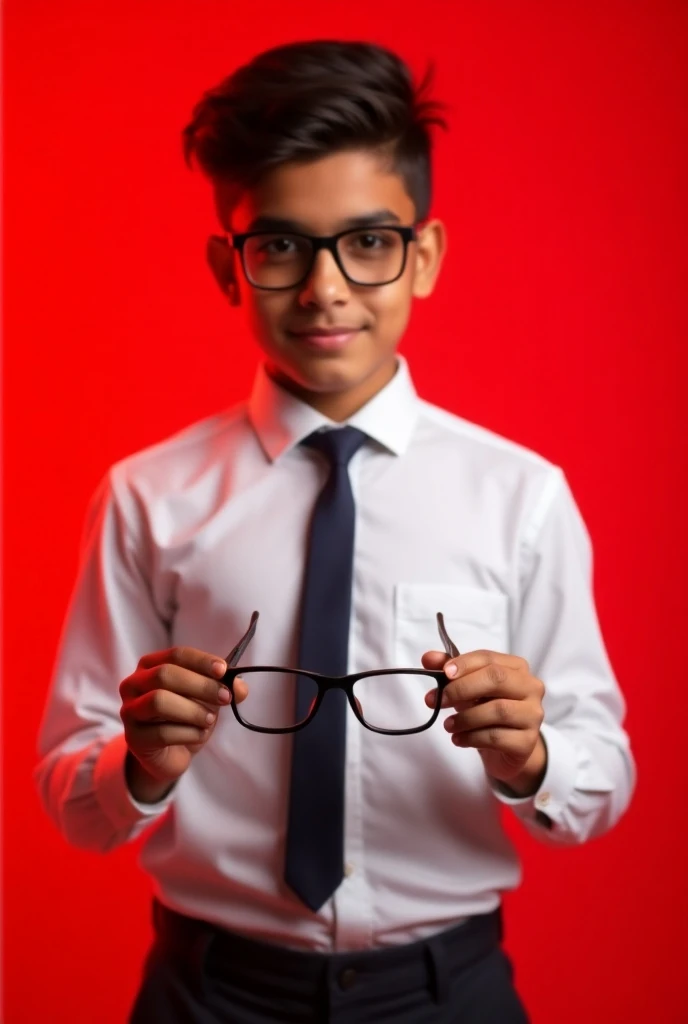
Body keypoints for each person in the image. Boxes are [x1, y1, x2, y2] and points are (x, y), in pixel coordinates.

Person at [35, 39, 635, 1024]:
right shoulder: (148, 497)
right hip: (210, 994)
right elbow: (72, 793)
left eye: (367, 241)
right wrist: (136, 762)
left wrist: (532, 756)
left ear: (424, 256)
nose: (324, 289)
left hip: (449, 993)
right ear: (229, 267)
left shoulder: (520, 496)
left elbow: (598, 778)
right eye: (279, 245)